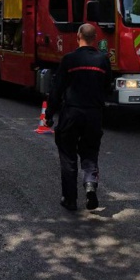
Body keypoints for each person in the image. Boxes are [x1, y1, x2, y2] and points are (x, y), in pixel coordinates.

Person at [45, 23, 112, 212]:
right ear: (95, 38)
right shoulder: (103, 60)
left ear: (78, 36)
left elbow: (56, 90)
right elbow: (108, 87)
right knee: (90, 151)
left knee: (68, 156)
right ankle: (90, 184)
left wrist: (49, 115)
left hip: (72, 114)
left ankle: (70, 199)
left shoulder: (69, 59)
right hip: (93, 114)